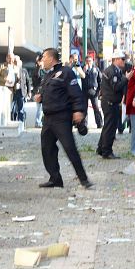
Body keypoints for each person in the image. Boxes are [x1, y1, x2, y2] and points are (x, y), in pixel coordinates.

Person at [34, 48, 92, 189]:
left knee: (70, 148)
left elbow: (76, 94)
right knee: (47, 149)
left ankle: (84, 179)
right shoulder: (48, 76)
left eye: (44, 57)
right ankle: (55, 179)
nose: (42, 60)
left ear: (51, 58)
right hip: (48, 119)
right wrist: (40, 98)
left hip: (61, 118)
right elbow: (46, 93)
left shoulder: (66, 72)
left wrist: (78, 111)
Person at [97, 50, 127, 159]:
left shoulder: (115, 70)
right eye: (122, 59)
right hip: (109, 102)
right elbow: (116, 87)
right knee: (110, 128)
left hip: (111, 102)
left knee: (108, 126)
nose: (124, 61)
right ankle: (106, 151)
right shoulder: (112, 71)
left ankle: (101, 148)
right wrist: (125, 78)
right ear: (116, 60)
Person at [82, 56, 103, 128]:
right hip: (84, 91)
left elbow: (100, 80)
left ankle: (99, 123)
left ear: (92, 61)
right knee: (84, 108)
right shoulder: (82, 69)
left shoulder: (96, 69)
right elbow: (80, 78)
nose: (88, 62)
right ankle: (84, 124)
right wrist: (84, 70)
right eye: (87, 61)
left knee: (96, 107)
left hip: (93, 90)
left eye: (90, 61)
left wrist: (99, 90)